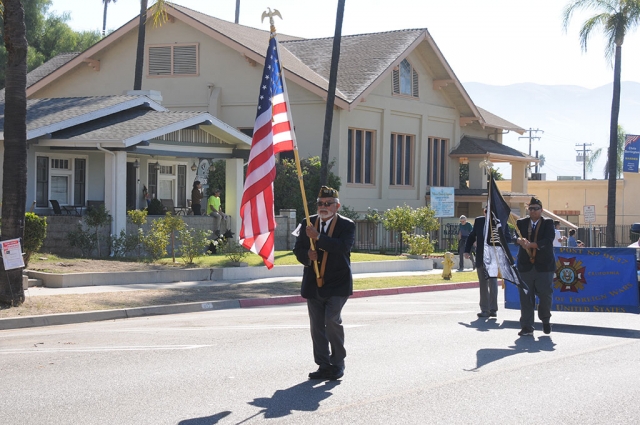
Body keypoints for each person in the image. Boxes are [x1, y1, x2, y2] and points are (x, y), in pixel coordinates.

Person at [293, 186, 356, 381]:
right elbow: (298, 249)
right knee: (317, 326)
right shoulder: (307, 222)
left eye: (328, 203)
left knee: (332, 321)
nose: (323, 206)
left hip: (337, 284)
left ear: (337, 206)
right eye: (320, 203)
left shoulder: (347, 225)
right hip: (314, 283)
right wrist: (307, 256)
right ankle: (323, 365)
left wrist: (319, 238)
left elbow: (343, 247)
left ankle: (337, 364)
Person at [515, 197, 556, 336]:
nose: (533, 211)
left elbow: (548, 240)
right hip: (525, 266)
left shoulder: (548, 223)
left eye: (536, 208)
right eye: (530, 208)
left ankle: (545, 320)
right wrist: (519, 240)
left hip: (544, 267)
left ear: (541, 210)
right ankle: (527, 326)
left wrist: (531, 245)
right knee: (526, 297)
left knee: (545, 295)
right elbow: (512, 236)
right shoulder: (521, 223)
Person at [465, 210, 498, 318]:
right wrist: (467, 250)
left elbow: (506, 238)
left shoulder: (499, 222)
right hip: (481, 257)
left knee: (492, 283)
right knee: (483, 284)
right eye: (486, 211)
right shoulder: (479, 221)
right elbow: (472, 236)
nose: (487, 213)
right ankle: (485, 309)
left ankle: (493, 308)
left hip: (493, 258)